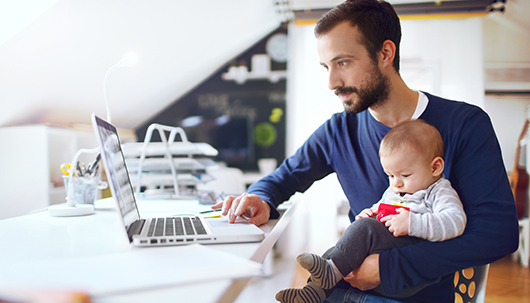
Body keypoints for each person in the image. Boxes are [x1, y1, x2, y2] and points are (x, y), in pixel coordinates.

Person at [211, 0, 519, 301]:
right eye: (326, 66)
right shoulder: (338, 131)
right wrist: (261, 198)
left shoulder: (464, 124)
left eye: (343, 62)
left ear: (385, 53)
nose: (332, 81)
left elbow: (497, 233)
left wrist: (387, 268)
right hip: (351, 287)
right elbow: (282, 178)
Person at [275, 119, 467, 303]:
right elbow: (382, 207)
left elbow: (455, 221)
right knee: (336, 251)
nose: (396, 183)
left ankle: (330, 274)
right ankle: (314, 293)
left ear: (435, 167)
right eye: (390, 175)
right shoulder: (396, 189)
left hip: (410, 270)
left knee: (364, 230)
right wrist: (371, 214)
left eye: (405, 175)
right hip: (386, 255)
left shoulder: (438, 191)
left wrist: (411, 223)